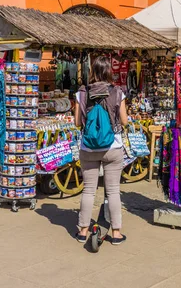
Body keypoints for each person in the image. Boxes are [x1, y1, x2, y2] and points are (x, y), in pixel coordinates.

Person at [74, 56, 127, 245]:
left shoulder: (82, 92)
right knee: (113, 191)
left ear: (92, 71)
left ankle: (83, 231)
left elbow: (77, 122)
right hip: (112, 146)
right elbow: (125, 120)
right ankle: (116, 234)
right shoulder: (117, 92)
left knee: (88, 190)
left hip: (88, 147)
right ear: (109, 72)